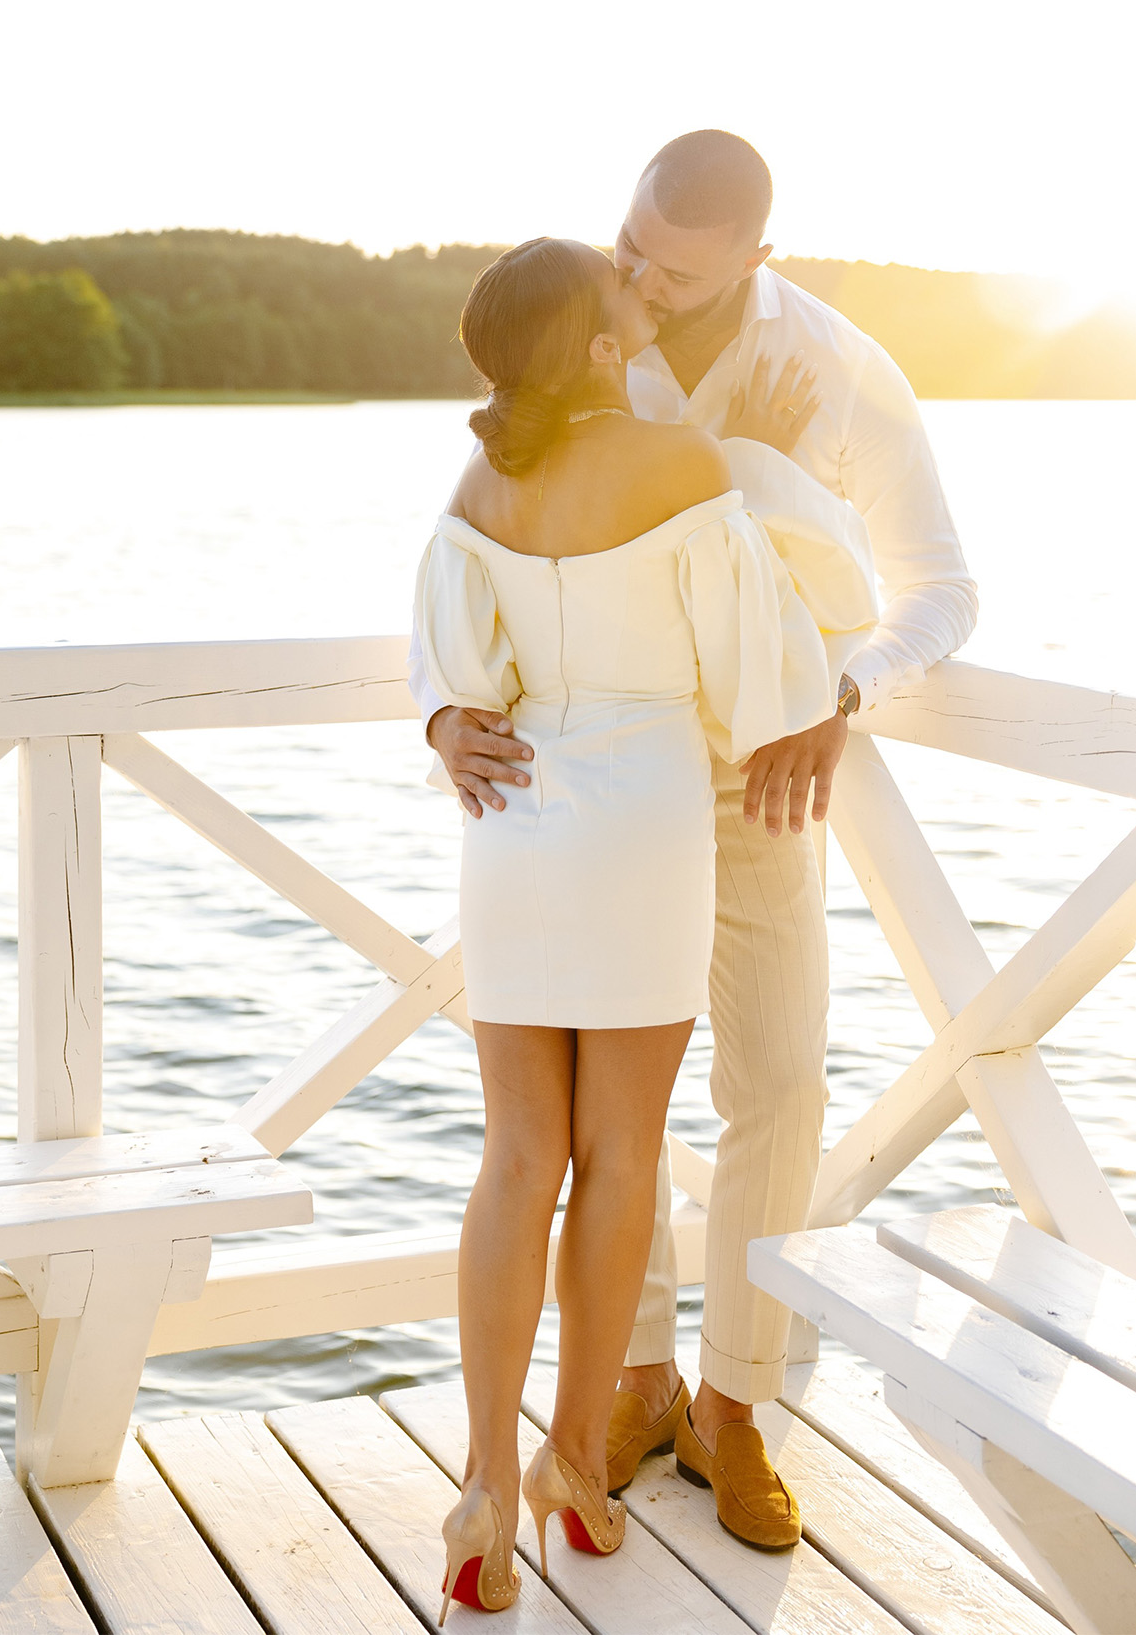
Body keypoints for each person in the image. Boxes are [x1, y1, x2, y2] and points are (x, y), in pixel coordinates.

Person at [417, 131, 977, 1555]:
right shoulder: (597, 342)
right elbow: (718, 595)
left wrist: (846, 694)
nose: (636, 280)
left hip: (722, 783)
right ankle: (618, 1400)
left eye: (669, 270)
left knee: (760, 1085)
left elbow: (937, 588)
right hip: (644, 785)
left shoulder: (839, 371)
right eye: (628, 249)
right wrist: (442, 716)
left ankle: (723, 1407)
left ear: (754, 262)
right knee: (621, 1139)